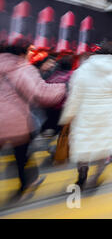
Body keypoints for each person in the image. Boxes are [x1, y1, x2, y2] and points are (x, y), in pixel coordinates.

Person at [59, 41, 112, 190]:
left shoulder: (82, 70)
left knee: (83, 146)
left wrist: (69, 115)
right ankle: (96, 176)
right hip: (108, 115)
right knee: (104, 148)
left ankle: (82, 174)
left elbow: (75, 95)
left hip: (85, 114)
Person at [0, 41, 66, 199]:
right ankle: (26, 184)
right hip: (16, 121)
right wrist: (62, 88)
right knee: (21, 155)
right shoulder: (21, 68)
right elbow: (40, 93)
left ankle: (31, 179)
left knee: (21, 154)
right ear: (22, 52)